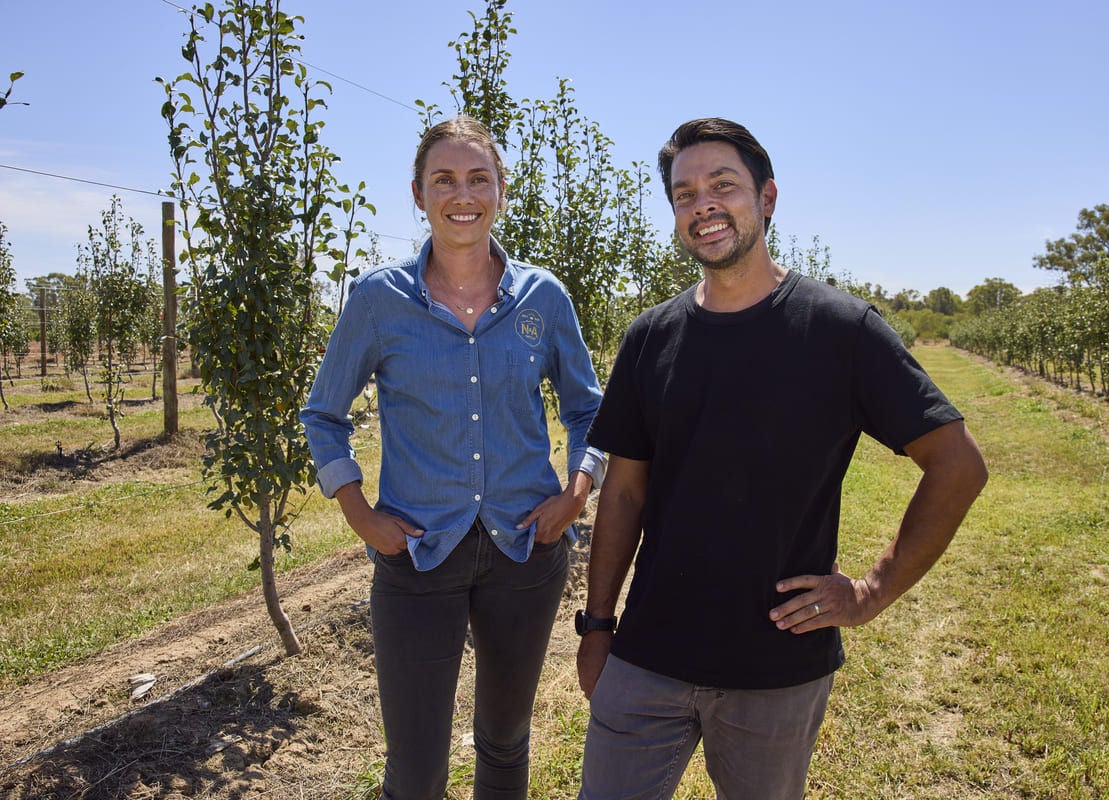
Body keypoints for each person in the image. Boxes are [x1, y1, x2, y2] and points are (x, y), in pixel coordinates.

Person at [574, 118, 988, 800]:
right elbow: (621, 494)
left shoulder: (840, 330)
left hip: (775, 668)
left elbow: (957, 466)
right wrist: (596, 627)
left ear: (766, 198)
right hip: (646, 658)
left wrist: (871, 591)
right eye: (683, 194)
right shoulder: (650, 337)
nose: (702, 204)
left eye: (722, 185)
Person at [301, 115, 606, 800]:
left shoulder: (542, 297)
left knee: (504, 741)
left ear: (500, 189)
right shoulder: (379, 300)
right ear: (418, 193)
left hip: (525, 551)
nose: (461, 194)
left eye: (477, 178)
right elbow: (323, 414)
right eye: (444, 179)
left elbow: (589, 409)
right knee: (414, 767)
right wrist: (358, 514)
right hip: (415, 553)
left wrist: (577, 490)